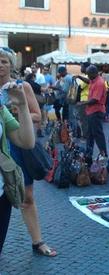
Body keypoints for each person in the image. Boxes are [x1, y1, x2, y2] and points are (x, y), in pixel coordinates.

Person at [0, 47, 54, 257]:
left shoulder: (21, 87)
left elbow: (37, 116)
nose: (1, 65)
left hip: (17, 145)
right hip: (5, 144)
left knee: (26, 196)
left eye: (5, 61)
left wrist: (18, 111)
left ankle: (37, 241)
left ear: (11, 65)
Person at [78, 65, 107, 157]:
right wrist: (79, 77)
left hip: (96, 112)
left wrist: (82, 103)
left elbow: (95, 99)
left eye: (88, 74)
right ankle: (88, 155)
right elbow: (88, 81)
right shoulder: (94, 79)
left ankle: (104, 155)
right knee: (89, 135)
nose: (87, 76)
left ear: (94, 73)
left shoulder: (99, 83)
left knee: (98, 135)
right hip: (91, 111)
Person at [74, 62, 91, 139]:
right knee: (83, 119)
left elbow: (81, 87)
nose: (81, 68)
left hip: (85, 100)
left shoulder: (88, 76)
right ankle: (85, 135)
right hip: (84, 100)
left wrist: (78, 77)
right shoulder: (85, 76)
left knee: (84, 119)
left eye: (82, 67)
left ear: (86, 68)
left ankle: (85, 136)